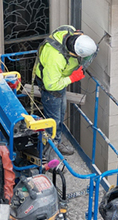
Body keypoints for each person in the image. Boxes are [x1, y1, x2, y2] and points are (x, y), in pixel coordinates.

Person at [32, 26, 97, 156]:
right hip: (51, 87)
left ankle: (56, 142)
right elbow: (51, 85)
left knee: (61, 114)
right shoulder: (55, 58)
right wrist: (72, 78)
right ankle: (49, 153)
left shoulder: (68, 30)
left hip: (58, 79)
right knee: (54, 120)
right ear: (73, 53)